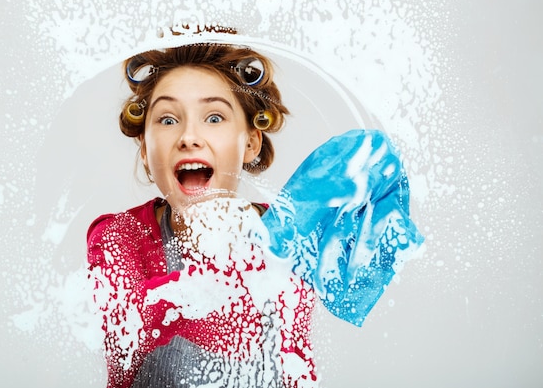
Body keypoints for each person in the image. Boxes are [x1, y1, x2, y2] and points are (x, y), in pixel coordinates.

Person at [87, 42, 424, 388]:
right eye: (168, 119)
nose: (188, 137)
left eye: (214, 117)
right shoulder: (120, 236)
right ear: (145, 148)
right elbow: (129, 331)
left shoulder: (291, 233)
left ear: (250, 142)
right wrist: (260, 254)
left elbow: (293, 365)